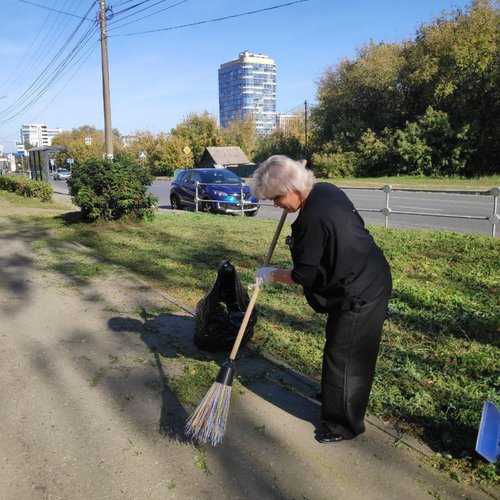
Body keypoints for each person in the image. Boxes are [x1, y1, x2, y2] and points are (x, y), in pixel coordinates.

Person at [251, 155, 392, 443]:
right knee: (338, 345)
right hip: (363, 273)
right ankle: (334, 393)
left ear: (294, 188)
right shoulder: (325, 190)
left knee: (346, 357)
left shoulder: (309, 222)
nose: (276, 205)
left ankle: (343, 424)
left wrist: (272, 274)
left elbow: (303, 276)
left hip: (360, 289)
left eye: (276, 198)